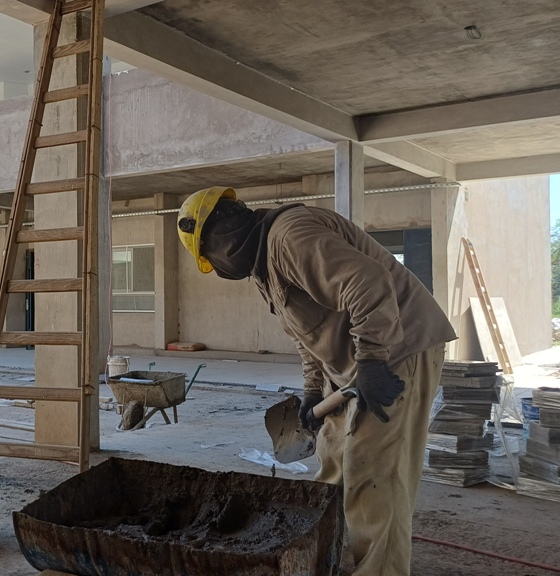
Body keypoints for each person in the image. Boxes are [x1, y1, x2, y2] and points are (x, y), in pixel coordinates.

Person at [177, 186, 456, 576]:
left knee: (372, 473)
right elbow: (304, 334)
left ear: (220, 231)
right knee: (334, 463)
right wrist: (312, 388)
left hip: (397, 348)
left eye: (208, 256)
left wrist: (373, 361)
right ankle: (329, 558)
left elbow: (369, 283)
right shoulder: (263, 264)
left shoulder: (290, 236)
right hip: (353, 363)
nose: (218, 269)